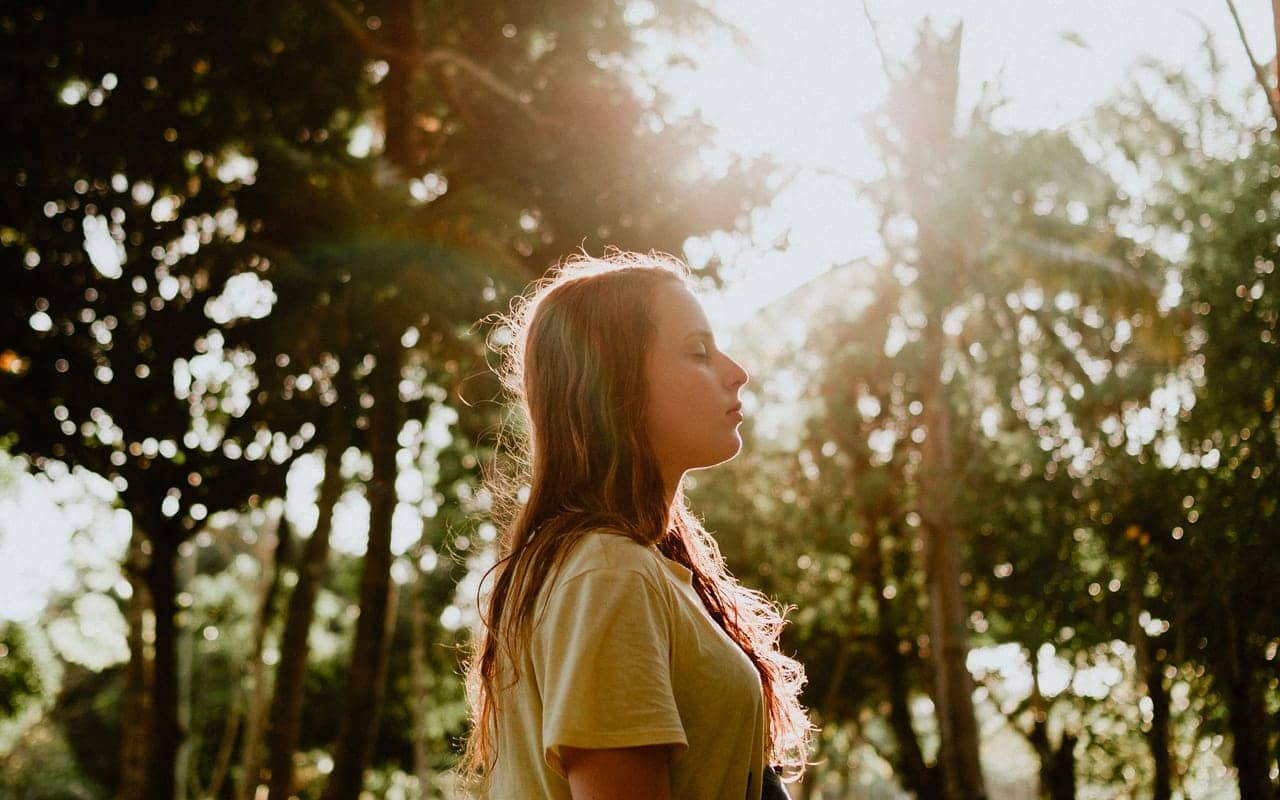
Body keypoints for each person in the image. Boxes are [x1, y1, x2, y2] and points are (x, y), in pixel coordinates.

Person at [459, 251, 811, 799]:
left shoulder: (636, 568)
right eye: (698, 351)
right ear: (613, 385)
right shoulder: (608, 574)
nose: (737, 372)